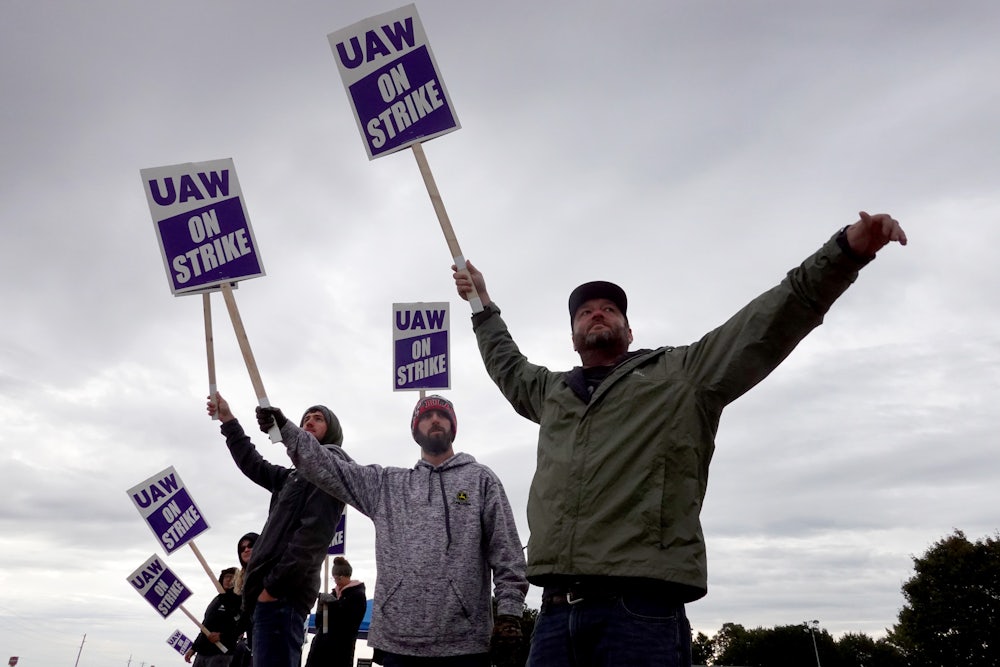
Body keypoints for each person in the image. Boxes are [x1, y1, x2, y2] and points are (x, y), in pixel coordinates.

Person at [451, 212, 908, 666]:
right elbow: (507, 364)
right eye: (585, 311)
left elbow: (769, 318)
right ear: (573, 337)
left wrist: (846, 253)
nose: (597, 313)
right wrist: (482, 305)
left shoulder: (682, 376)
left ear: (629, 332)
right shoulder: (552, 394)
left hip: (639, 611)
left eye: (610, 309)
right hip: (553, 616)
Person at [256, 394, 529, 667]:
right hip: (398, 645)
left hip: (465, 646)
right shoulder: (387, 484)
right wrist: (287, 429)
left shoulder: (481, 480)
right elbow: (330, 468)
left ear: (453, 426)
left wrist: (510, 615)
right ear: (414, 430)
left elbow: (507, 553)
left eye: (443, 415)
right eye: (426, 416)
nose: (435, 419)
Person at [207, 393, 350, 667]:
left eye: (318, 419)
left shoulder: (333, 464)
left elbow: (313, 537)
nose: (309, 422)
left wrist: (273, 587)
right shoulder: (291, 477)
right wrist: (228, 420)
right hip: (267, 600)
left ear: (332, 430)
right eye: (305, 418)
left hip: (282, 597)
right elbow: (252, 463)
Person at [305, 556, 368, 667]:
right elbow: (321, 626)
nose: (335, 582)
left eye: (336, 578)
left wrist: (334, 605)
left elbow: (348, 622)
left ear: (343, 576)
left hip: (340, 651)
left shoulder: (357, 596)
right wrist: (320, 610)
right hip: (321, 648)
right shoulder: (333, 595)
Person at [185, 567, 242, 666]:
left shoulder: (239, 600)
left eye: (232, 577)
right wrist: (194, 648)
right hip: (202, 653)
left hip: (220, 654)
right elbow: (205, 626)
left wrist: (222, 636)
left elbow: (241, 626)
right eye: (226, 577)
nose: (229, 580)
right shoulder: (216, 600)